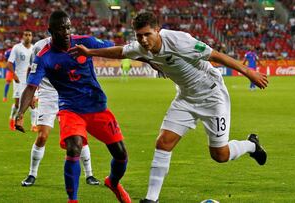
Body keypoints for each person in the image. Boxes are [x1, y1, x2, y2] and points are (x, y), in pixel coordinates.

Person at [69, 11, 268, 203]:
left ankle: (252, 145)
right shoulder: (141, 47)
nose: (144, 40)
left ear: (158, 30)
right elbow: (121, 51)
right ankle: (151, 198)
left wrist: (248, 72)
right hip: (185, 97)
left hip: (212, 95)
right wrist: (90, 52)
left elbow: (215, 56)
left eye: (147, 34)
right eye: (139, 36)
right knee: (163, 142)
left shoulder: (179, 40)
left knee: (220, 155)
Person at [15, 10, 131, 203]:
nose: (67, 32)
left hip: (96, 106)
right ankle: (73, 200)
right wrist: (20, 113)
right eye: (61, 28)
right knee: (74, 147)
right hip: (70, 109)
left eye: (68, 27)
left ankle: (113, 182)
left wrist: (152, 60)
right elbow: (31, 86)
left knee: (121, 155)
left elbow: (120, 50)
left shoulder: (84, 41)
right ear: (51, 31)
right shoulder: (44, 56)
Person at [21, 36, 100, 187]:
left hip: (69, 94)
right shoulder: (39, 46)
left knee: (79, 136)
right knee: (42, 136)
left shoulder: (74, 44)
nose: (63, 31)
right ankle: (32, 174)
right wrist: (33, 94)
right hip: (47, 95)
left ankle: (89, 174)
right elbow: (31, 70)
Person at [6, 30, 37, 131]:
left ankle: (34, 125)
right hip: (19, 79)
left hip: (31, 79)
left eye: (30, 35)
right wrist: (14, 75)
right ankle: (12, 118)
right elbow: (9, 63)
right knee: (18, 104)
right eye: (26, 35)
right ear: (23, 36)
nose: (28, 36)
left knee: (32, 103)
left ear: (32, 37)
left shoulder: (34, 49)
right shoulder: (17, 48)